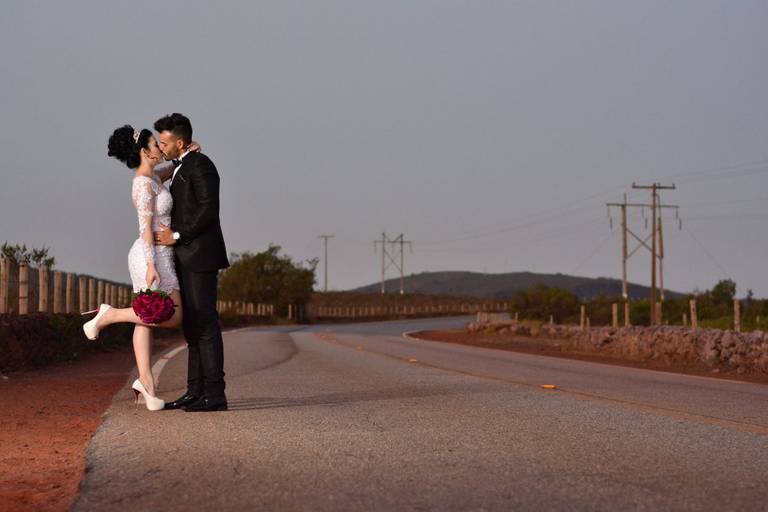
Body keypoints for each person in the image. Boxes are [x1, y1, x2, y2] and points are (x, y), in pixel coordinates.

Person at [82, 125, 190, 411]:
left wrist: (185, 154)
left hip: (162, 254)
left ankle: (147, 385)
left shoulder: (152, 177)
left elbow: (166, 173)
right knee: (170, 315)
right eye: (156, 144)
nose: (160, 147)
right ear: (144, 150)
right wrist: (151, 265)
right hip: (149, 255)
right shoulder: (141, 183)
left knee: (149, 317)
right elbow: (144, 228)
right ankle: (111, 314)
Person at [152, 113, 230, 413]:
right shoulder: (180, 166)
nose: (161, 146)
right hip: (182, 257)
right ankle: (195, 391)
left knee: (206, 323)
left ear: (180, 142)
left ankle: (215, 394)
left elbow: (210, 209)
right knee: (191, 326)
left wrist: (177, 234)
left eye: (165, 142)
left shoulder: (203, 165)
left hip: (200, 255)